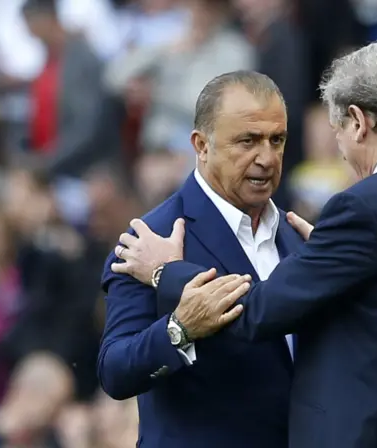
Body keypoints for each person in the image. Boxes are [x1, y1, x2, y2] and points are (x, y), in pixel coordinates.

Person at [115, 42, 377, 447]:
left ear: (358, 122)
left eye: (337, 132)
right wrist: (332, 265)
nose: (340, 152)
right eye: (248, 141)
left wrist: (166, 271)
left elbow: (257, 313)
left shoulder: (366, 208)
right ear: (201, 145)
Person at [97, 71, 304, 448]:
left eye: (278, 140)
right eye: (248, 141)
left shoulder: (295, 233)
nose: (267, 157)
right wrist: (179, 329)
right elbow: (115, 371)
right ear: (201, 145)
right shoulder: (150, 240)